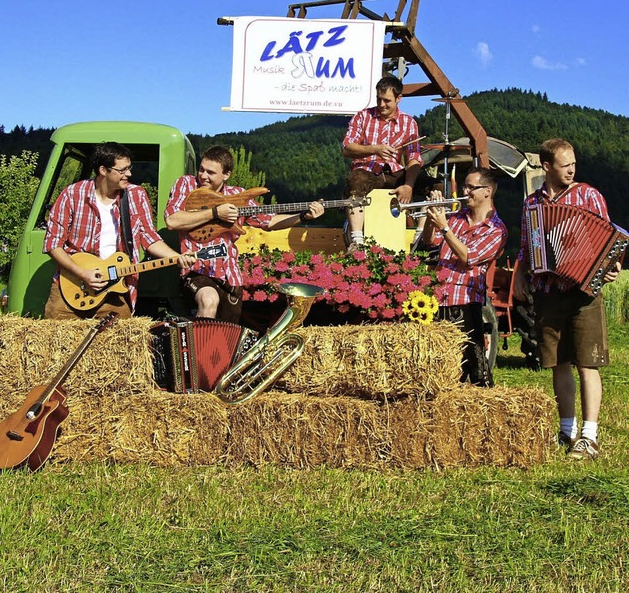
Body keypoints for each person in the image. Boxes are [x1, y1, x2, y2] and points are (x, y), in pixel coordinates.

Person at [513, 138, 621, 460]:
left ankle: (590, 436)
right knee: (557, 362)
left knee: (587, 362)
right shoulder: (532, 204)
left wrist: (611, 266)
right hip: (547, 291)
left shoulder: (588, 195)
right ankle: (566, 429)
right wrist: (520, 272)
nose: (572, 169)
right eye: (565, 164)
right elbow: (525, 245)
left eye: (573, 162)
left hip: (584, 292)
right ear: (547, 166)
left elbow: (608, 238)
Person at [164, 145, 325, 322]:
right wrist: (215, 213)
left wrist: (303, 216)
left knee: (227, 337)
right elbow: (172, 220)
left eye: (210, 172)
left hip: (230, 277)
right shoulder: (186, 184)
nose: (203, 175)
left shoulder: (238, 195)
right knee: (209, 300)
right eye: (201, 169)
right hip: (197, 270)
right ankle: (200, 348)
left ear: (226, 175)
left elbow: (269, 221)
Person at [43, 142, 196, 320]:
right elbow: (52, 244)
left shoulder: (136, 196)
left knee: (122, 343)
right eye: (122, 170)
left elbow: (149, 237)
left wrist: (176, 257)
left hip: (115, 287)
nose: (129, 174)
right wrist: (82, 274)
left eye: (129, 168)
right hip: (72, 286)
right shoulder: (72, 194)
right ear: (103, 170)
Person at [421, 167, 508, 387]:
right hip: (439, 298)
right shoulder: (457, 218)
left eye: (471, 187)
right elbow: (429, 241)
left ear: (487, 191)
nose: (464, 191)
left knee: (475, 368)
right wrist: (433, 215)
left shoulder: (496, 230)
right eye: (465, 186)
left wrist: (444, 227)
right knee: (438, 369)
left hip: (466, 304)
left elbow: (469, 257)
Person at [341, 75, 423, 252]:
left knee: (433, 185)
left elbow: (414, 157)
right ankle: (357, 240)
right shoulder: (362, 117)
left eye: (387, 101)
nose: (382, 104)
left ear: (399, 99)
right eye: (379, 99)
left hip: (395, 172)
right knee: (356, 181)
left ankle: (423, 238)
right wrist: (375, 149)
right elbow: (347, 148)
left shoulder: (409, 122)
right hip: (367, 169)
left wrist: (408, 186)